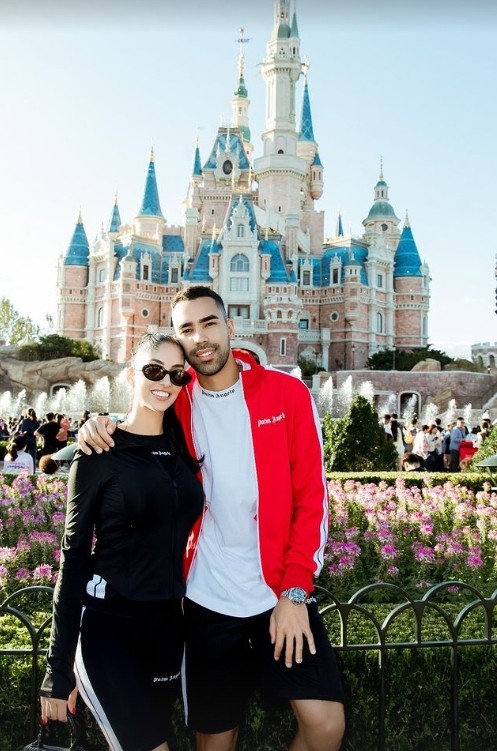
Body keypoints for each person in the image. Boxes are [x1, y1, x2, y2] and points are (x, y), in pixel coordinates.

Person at [79, 286, 345, 751]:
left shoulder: (287, 393)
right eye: (187, 329)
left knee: (325, 727)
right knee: (215, 741)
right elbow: (141, 421)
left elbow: (312, 498)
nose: (200, 337)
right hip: (206, 600)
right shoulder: (179, 402)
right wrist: (100, 424)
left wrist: (294, 592)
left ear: (229, 326)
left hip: (277, 592)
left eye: (209, 323)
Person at [40, 333, 204, 751]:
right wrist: (59, 667)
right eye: (153, 370)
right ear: (132, 374)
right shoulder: (99, 451)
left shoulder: (184, 449)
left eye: (177, 374)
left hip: (167, 631)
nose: (165, 382)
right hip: (109, 630)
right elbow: (73, 558)